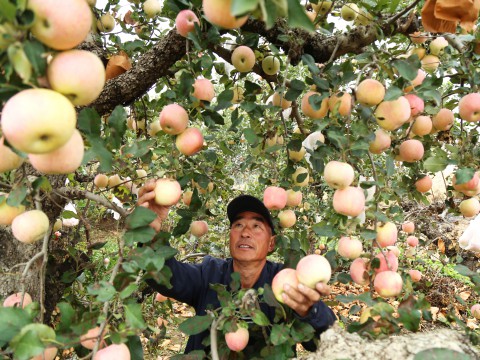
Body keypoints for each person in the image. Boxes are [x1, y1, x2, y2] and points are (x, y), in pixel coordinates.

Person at [138, 180, 336, 355]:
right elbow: (165, 277)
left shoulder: (285, 281)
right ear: (230, 237)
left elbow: (324, 342)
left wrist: (312, 310)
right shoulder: (209, 274)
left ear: (271, 244)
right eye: (238, 225)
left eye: (257, 226)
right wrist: (149, 234)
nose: (246, 232)